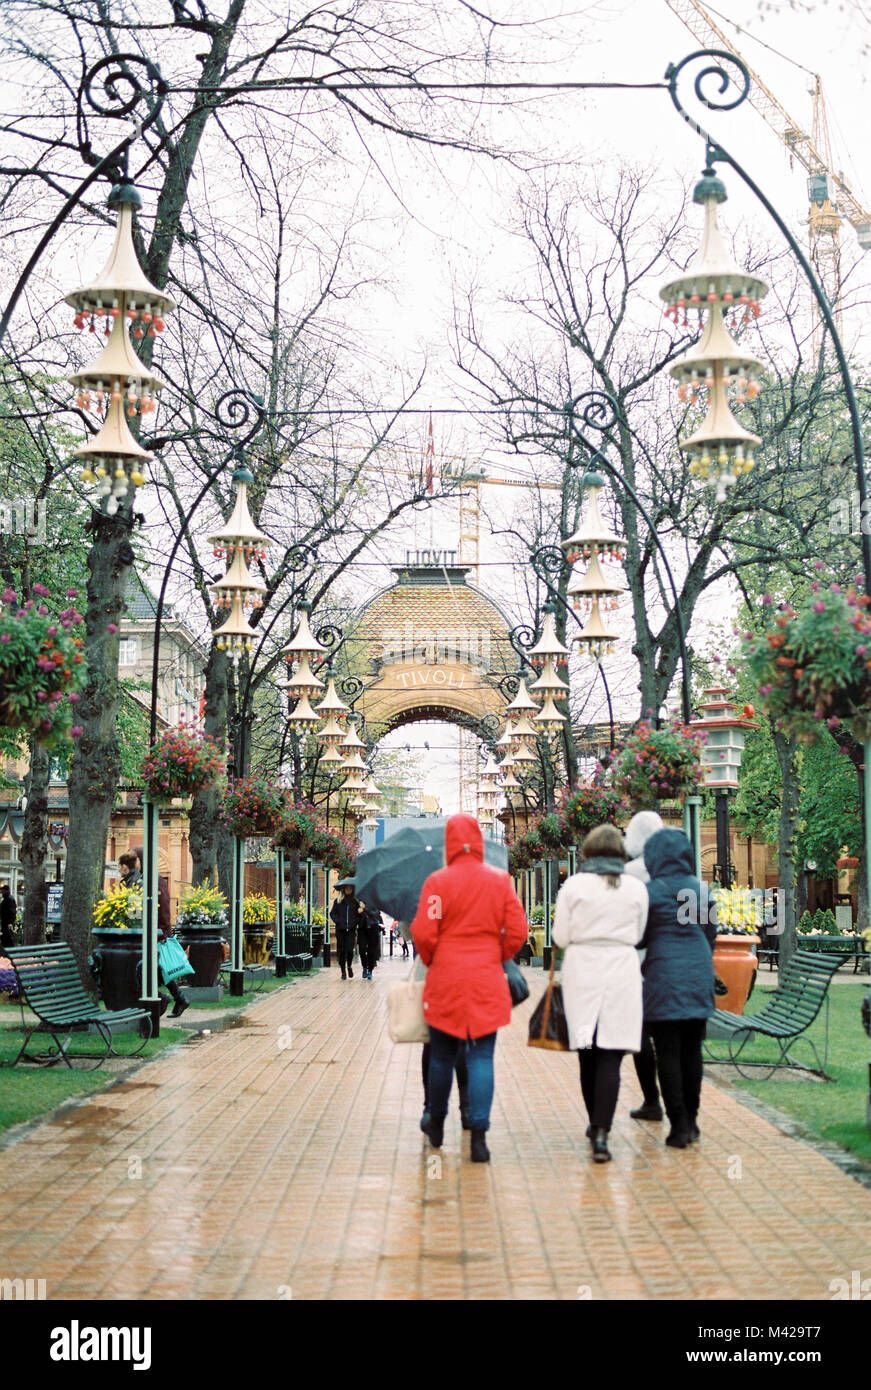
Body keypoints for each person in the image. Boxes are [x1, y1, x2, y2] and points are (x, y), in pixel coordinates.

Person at [411, 813, 528, 1163]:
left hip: (446, 979)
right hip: (486, 980)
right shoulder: (500, 881)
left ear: (449, 843)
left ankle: (436, 1123)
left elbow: (424, 932)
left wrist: (434, 959)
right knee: (481, 1057)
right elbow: (518, 930)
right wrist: (498, 954)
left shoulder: (436, 883)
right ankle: (478, 1137)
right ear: (478, 841)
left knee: (442, 1056)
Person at [552, 824, 648, 1164]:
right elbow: (638, 933)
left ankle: (595, 1122)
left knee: (588, 1049)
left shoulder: (574, 886)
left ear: (588, 851)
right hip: (621, 968)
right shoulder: (635, 888)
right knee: (611, 1054)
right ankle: (603, 1130)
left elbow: (560, 936)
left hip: (583, 968)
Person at [641, 828, 716, 1149]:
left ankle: (679, 1125)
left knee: (667, 1052)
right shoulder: (700, 889)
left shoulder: (649, 891)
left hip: (663, 976)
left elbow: (641, 937)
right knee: (692, 1050)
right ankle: (694, 1120)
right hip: (698, 973)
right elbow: (710, 932)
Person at [623, 810, 665, 1123]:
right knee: (669, 1037)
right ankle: (675, 1100)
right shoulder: (676, 870)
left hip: (638, 962)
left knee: (641, 1034)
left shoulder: (632, 874)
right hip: (671, 962)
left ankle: (651, 1098)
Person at [131, 847, 188, 1019]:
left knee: (150, 968)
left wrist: (163, 932)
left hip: (157, 933)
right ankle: (179, 999)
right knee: (160, 969)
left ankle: (162, 998)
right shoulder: (147, 878)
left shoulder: (152, 879)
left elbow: (162, 907)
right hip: (156, 931)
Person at [330, 880, 364, 980]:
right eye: (347, 888)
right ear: (344, 889)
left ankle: (349, 965)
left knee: (349, 950)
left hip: (351, 930)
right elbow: (332, 913)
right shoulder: (338, 901)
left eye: (350, 888)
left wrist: (356, 921)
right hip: (340, 929)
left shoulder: (355, 902)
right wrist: (338, 921)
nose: (348, 890)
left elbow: (359, 915)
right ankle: (343, 971)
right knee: (341, 951)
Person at [357, 902, 381, 980]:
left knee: (371, 951)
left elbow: (376, 913)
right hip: (362, 928)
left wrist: (365, 908)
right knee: (362, 949)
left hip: (373, 928)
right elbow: (355, 914)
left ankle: (370, 970)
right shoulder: (359, 901)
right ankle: (364, 967)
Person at [0, 884, 17, 951]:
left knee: (8, 937)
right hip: (5, 921)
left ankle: (10, 951)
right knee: (6, 937)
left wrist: (10, 922)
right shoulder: (6, 899)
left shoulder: (9, 899)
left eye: (2, 890)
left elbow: (12, 912)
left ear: (6, 891)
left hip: (7, 922)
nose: (1, 892)